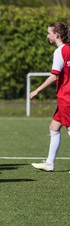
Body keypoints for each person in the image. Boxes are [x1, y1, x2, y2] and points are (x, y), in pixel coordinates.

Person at [30, 22, 70, 172]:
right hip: (64, 96)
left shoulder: (60, 51)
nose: (47, 36)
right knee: (54, 127)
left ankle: (49, 163)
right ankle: (49, 163)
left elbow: (54, 75)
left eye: (49, 33)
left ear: (57, 34)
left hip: (67, 97)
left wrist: (37, 90)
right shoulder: (69, 49)